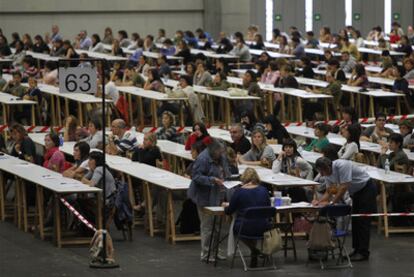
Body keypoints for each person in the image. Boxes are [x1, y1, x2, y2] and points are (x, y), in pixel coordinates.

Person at [313, 157, 377, 262]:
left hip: (367, 189)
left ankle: (363, 252)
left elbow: (343, 187)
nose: (323, 174)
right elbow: (329, 191)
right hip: (356, 193)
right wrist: (319, 202)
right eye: (320, 172)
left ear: (329, 166)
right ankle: (356, 250)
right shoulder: (327, 173)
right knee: (356, 221)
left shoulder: (342, 165)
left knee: (363, 222)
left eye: (323, 171)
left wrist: (331, 203)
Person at [187, 139, 231, 261]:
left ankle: (215, 251)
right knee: (207, 226)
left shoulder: (220, 156)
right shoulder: (202, 159)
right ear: (213, 150)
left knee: (217, 225)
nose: (222, 154)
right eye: (220, 152)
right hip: (204, 197)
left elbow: (226, 172)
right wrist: (212, 179)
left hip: (218, 195)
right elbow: (196, 177)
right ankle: (206, 253)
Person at [223, 167, 270, 268]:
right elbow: (268, 207)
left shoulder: (240, 192)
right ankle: (254, 253)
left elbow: (229, 211)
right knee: (254, 223)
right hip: (264, 226)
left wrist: (225, 207)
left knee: (240, 229)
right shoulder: (264, 190)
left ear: (244, 179)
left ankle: (254, 250)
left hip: (244, 226)